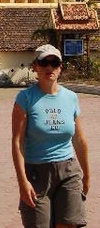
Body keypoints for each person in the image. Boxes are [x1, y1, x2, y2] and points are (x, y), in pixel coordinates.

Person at [12, 44, 90, 228]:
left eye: (54, 63)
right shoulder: (25, 98)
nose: (49, 67)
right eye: (43, 62)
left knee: (69, 224)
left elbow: (79, 140)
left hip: (68, 171)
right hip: (37, 173)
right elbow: (17, 143)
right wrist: (22, 182)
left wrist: (87, 175)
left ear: (60, 67)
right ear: (35, 67)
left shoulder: (71, 97)